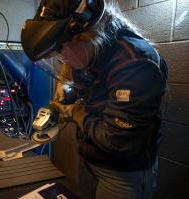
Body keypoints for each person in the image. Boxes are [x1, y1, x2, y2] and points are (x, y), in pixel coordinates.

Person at [21, 0, 168, 198]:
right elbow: (97, 89)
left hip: (122, 174)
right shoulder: (90, 51)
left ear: (87, 35)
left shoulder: (136, 63)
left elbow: (117, 141)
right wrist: (70, 90)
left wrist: (74, 112)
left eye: (61, 49)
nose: (60, 58)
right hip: (89, 159)